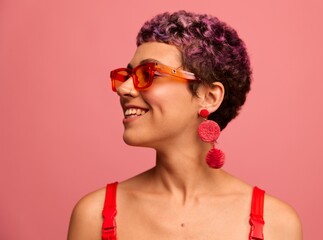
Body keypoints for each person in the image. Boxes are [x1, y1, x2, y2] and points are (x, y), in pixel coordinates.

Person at [67, 10, 302, 240]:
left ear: (209, 97)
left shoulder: (276, 223)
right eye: (126, 76)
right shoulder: (94, 216)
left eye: (149, 73)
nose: (124, 88)